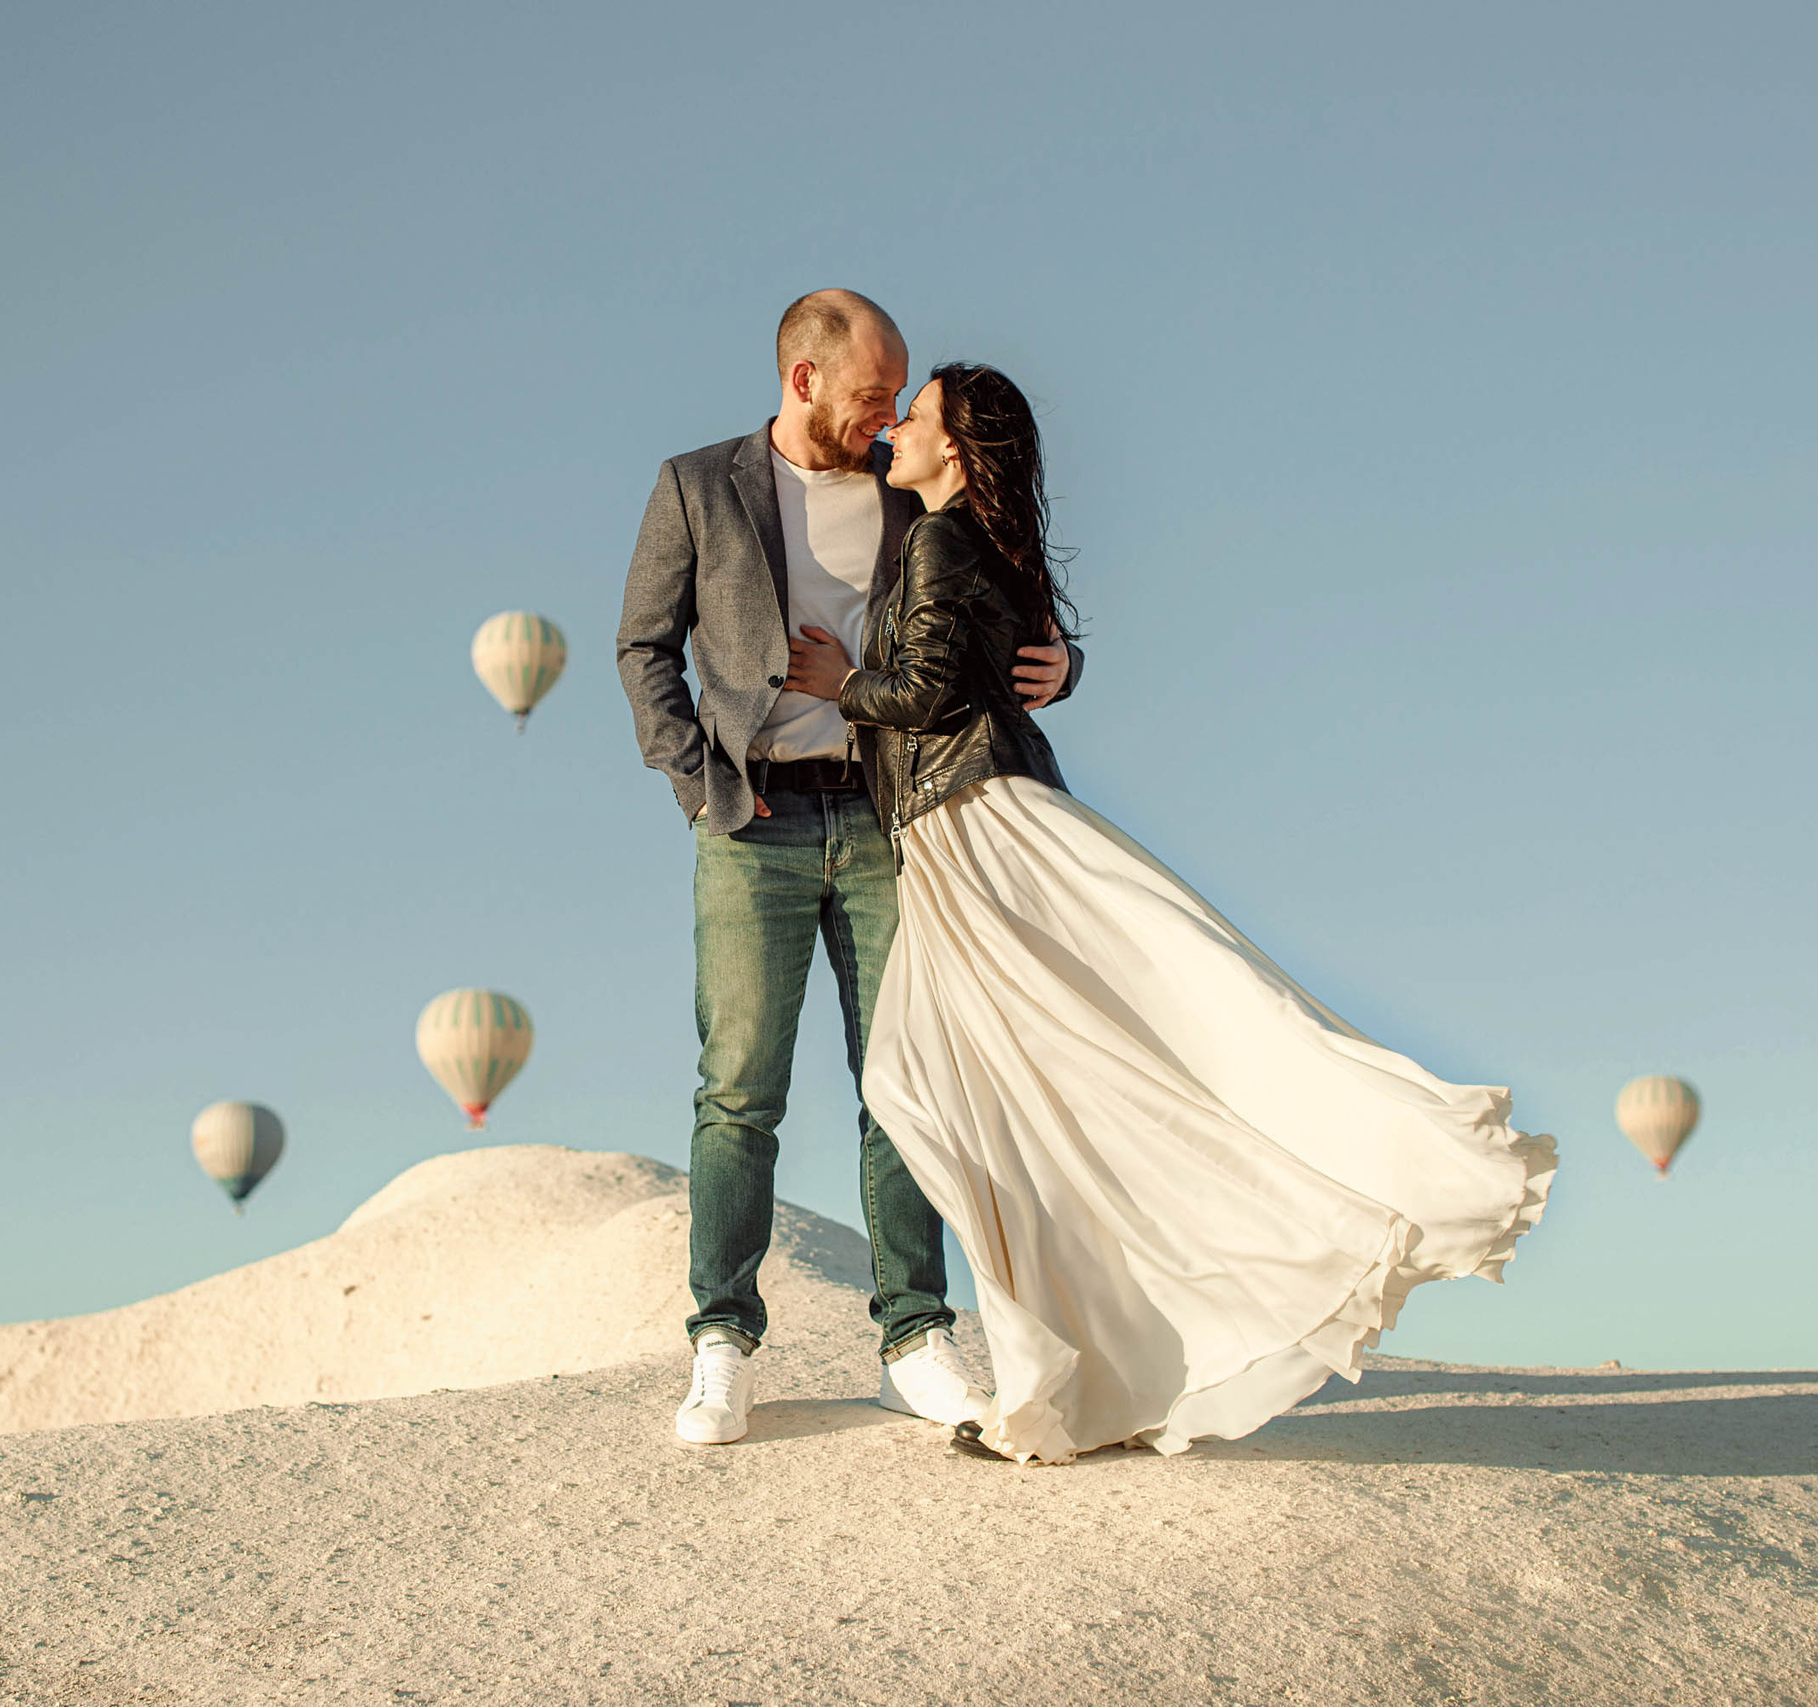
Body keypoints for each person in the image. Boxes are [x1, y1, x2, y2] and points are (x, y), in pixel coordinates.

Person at [789, 362, 1557, 1464]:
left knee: (953, 1087)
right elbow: (1012, 661)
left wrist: (839, 685)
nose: (894, 431)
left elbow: (928, 691)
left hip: (973, 825)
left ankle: (1063, 1379)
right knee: (1024, 1086)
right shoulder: (979, 541)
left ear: (954, 446)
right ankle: (1075, 1381)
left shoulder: (940, 539)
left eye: (915, 417)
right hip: (966, 821)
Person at [616, 292, 1084, 1447]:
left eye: (899, 396)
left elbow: (993, 585)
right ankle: (722, 1343)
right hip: (751, 822)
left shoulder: (906, 485)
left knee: (902, 1081)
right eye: (874, 393)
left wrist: (1063, 661)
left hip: (887, 817)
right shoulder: (696, 485)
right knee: (739, 1090)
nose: (889, 413)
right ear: (804, 378)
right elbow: (644, 644)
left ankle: (914, 1341)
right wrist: (697, 781)